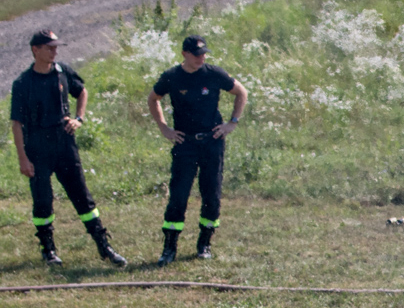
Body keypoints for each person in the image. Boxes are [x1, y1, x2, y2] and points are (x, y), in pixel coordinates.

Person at [10, 30, 125, 267]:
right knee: (43, 200)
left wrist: (79, 119)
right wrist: (22, 158)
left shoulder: (62, 72)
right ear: (36, 50)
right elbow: (17, 123)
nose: (55, 51)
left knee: (82, 197)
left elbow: (81, 90)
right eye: (50, 47)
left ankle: (104, 247)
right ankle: (48, 250)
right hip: (38, 147)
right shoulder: (23, 83)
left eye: (56, 47)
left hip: (64, 143)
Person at [148, 36, 248, 264]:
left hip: (212, 142)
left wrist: (232, 122)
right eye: (196, 54)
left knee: (211, 194)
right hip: (185, 143)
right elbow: (153, 98)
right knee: (179, 195)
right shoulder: (172, 77)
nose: (201, 58)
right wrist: (164, 128)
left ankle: (204, 244)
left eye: (204, 53)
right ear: (184, 54)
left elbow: (241, 92)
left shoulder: (213, 74)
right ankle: (169, 247)